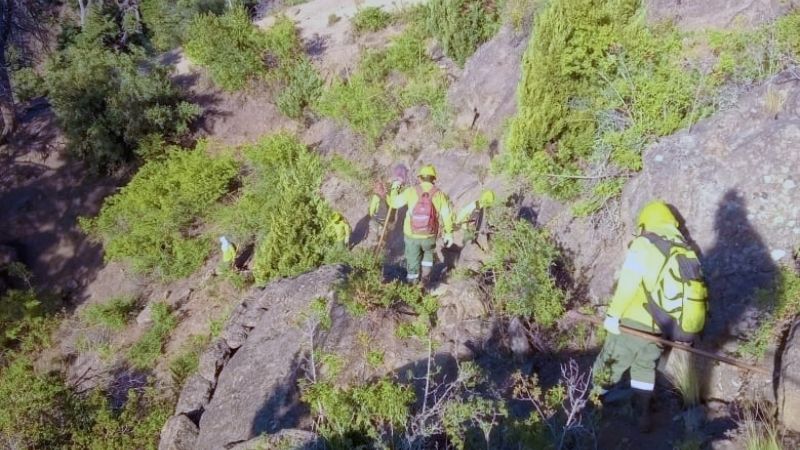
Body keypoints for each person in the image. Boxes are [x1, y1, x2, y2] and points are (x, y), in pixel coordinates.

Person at [592, 200, 707, 432]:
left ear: (646, 223)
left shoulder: (645, 243)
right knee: (644, 367)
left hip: (634, 322)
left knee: (608, 365)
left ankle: (590, 409)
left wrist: (613, 315)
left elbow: (628, 283)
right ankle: (643, 414)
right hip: (662, 329)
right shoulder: (685, 249)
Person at [386, 164, 454, 285]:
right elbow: (446, 215)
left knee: (413, 260)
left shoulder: (411, 191)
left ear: (420, 178)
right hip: (430, 235)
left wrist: (395, 186)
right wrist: (449, 233)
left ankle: (412, 286)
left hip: (412, 235)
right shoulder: (439, 194)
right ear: (434, 179)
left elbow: (394, 203)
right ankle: (425, 280)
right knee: (428, 256)